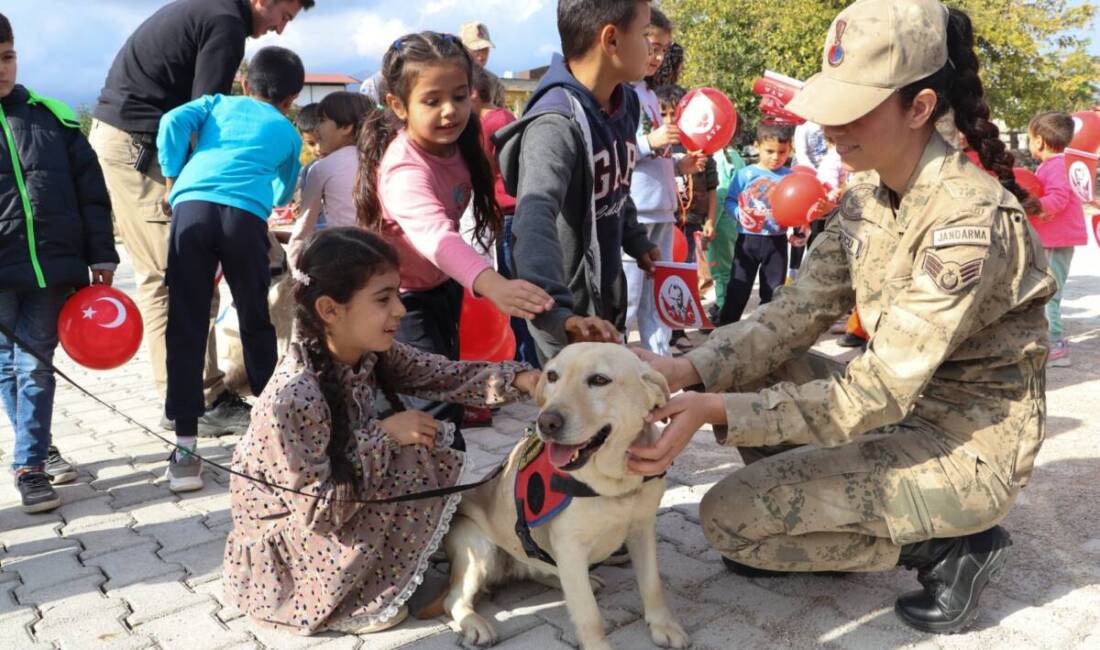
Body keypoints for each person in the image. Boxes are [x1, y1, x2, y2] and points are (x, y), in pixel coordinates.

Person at [629, 0, 1056, 634]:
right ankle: (824, 507)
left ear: (919, 107)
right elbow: (794, 313)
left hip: (961, 448)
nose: (829, 127)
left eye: (852, 109)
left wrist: (714, 412)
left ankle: (951, 547)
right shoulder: (867, 187)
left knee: (728, 521)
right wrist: (685, 368)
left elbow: (878, 388)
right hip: (897, 415)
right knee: (744, 369)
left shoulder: (967, 222)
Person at [223, 228, 538, 636]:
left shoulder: (368, 352)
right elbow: (317, 511)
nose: (401, 311)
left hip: (330, 509)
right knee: (414, 451)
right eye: (383, 298)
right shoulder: (295, 395)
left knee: (425, 443)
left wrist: (528, 380)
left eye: (398, 294)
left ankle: (391, 566)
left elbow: (444, 375)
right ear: (330, 310)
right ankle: (351, 600)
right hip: (295, 544)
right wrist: (385, 435)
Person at [89, 0, 314, 437]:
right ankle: (196, 402)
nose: (279, 30)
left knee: (188, 279)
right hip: (137, 147)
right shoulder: (226, 24)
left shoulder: (216, 14)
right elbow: (197, 115)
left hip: (139, 140)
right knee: (174, 280)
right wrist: (179, 182)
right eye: (284, 16)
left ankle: (196, 396)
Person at [355, 31, 553, 450]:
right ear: (397, 105)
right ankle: (440, 499)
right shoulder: (405, 169)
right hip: (399, 301)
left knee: (444, 394)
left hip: (439, 288)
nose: (450, 111)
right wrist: (494, 285)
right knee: (434, 415)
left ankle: (439, 491)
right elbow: (437, 238)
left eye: (460, 97)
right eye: (432, 101)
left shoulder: (460, 143)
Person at [157, 46, 305, 492]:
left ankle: (186, 450)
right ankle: (270, 437)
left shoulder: (216, 104)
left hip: (194, 208)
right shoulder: (288, 131)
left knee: (186, 322)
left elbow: (171, 123)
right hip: (244, 221)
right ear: (291, 99)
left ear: (245, 83)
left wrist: (172, 177)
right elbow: (282, 193)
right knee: (255, 321)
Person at [494, 0, 661, 363]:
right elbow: (534, 218)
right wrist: (557, 315)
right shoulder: (554, 125)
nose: (651, 48)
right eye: (646, 33)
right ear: (612, 40)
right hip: (572, 318)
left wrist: (634, 237)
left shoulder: (625, 102)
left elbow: (616, 182)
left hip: (607, 301)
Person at [0, 12, 119, 512]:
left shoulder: (53, 118)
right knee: (7, 366)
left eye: (6, 57)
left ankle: (29, 466)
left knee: (35, 366)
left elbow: (92, 195)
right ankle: (38, 449)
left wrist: (101, 255)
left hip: (51, 269)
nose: (1, 69)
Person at [626, 9, 706, 355]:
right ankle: (611, 363)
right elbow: (614, 152)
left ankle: (658, 365)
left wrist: (679, 164)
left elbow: (654, 156)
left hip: (662, 210)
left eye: (663, 50)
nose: (657, 57)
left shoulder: (648, 93)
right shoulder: (621, 92)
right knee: (627, 299)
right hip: (634, 214)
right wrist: (649, 142)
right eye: (652, 46)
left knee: (657, 298)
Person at [471, 66, 541, 368]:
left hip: (508, 212)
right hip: (507, 213)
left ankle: (524, 359)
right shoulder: (499, 117)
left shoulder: (492, 121)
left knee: (513, 290)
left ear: (473, 92)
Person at [718, 121, 795, 325]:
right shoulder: (745, 174)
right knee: (737, 290)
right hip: (747, 241)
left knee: (772, 293)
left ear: (790, 149)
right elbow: (730, 200)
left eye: (782, 152)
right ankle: (723, 333)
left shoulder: (790, 177)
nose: (775, 157)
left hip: (777, 242)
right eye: (769, 151)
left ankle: (763, 336)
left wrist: (799, 228)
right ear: (757, 146)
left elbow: (798, 207)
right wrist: (738, 214)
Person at [1026, 111, 1087, 368]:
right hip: (1054, 241)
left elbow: (1058, 199)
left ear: (1039, 141)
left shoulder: (1056, 166)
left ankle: (1055, 345)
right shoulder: (1057, 164)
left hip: (1055, 241)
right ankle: (1052, 341)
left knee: (1048, 294)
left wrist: (1033, 206)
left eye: (1029, 139)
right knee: (1048, 292)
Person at [287, 92, 373, 263]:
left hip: (344, 254)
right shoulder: (378, 158)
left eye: (322, 121)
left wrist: (295, 269)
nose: (317, 128)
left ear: (346, 127)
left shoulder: (321, 168)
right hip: (380, 252)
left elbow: (303, 229)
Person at [705, 142, 747, 323]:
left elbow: (721, 195)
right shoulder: (735, 155)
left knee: (721, 269)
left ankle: (722, 309)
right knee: (728, 267)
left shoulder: (719, 157)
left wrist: (711, 223)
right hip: (731, 222)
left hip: (721, 222)